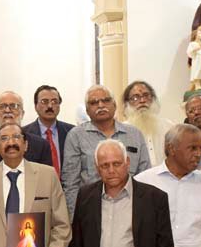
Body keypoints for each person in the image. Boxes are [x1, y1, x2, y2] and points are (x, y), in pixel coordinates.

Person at [23, 85, 79, 247]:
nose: (49, 105)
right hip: (37, 206)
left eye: (54, 101)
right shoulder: (24, 135)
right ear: (35, 105)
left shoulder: (72, 133)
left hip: (69, 202)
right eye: (44, 101)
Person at [61, 85, 151, 217]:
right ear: (87, 110)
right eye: (94, 102)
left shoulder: (134, 134)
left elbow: (145, 175)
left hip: (130, 208)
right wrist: (74, 219)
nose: (101, 105)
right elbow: (71, 184)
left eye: (106, 100)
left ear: (114, 105)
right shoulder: (76, 136)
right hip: (91, 209)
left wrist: (144, 212)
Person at [0, 91, 54, 176]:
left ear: (22, 113)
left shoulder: (41, 145)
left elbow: (47, 179)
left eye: (13, 106)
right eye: (2, 106)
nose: (7, 110)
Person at [122, 81, 175, 166]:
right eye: (135, 98)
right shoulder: (123, 130)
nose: (142, 100)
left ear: (153, 99)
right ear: (127, 103)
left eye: (146, 96)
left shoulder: (168, 127)